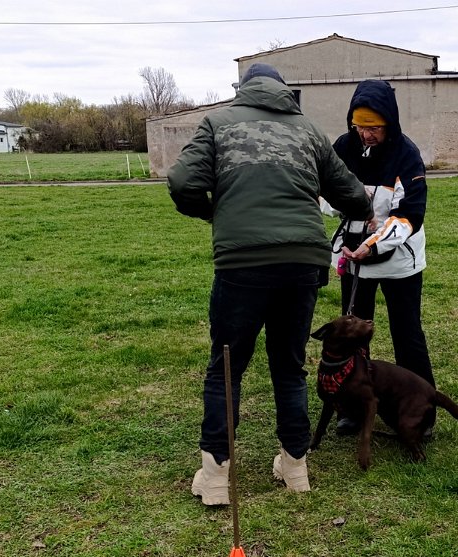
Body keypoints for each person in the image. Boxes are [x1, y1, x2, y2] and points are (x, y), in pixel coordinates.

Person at [168, 63, 372, 506]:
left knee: (226, 368)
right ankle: (295, 467)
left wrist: (213, 213)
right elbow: (354, 196)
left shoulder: (217, 123)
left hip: (241, 263)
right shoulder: (310, 131)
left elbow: (183, 181)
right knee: (289, 365)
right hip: (302, 262)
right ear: (284, 92)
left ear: (243, 89)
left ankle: (216, 478)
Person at [329, 79, 435, 435]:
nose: (366, 135)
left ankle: (421, 413)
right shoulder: (343, 148)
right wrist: (343, 207)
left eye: (373, 128)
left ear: (388, 123)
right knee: (352, 337)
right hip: (354, 261)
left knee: (407, 335)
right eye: (360, 127)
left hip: (399, 262)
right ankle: (352, 408)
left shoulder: (407, 154)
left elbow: (410, 215)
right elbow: (324, 194)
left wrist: (374, 244)